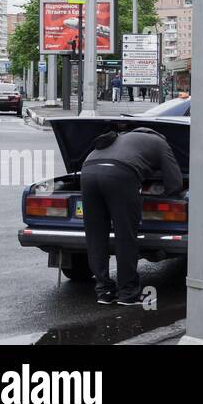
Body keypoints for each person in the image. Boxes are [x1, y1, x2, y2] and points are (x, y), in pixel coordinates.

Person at [80, 124, 184, 305]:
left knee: (96, 236)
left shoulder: (122, 137)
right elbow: (174, 183)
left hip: (87, 172)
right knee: (125, 236)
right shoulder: (160, 142)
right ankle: (128, 293)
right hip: (120, 175)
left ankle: (104, 291)